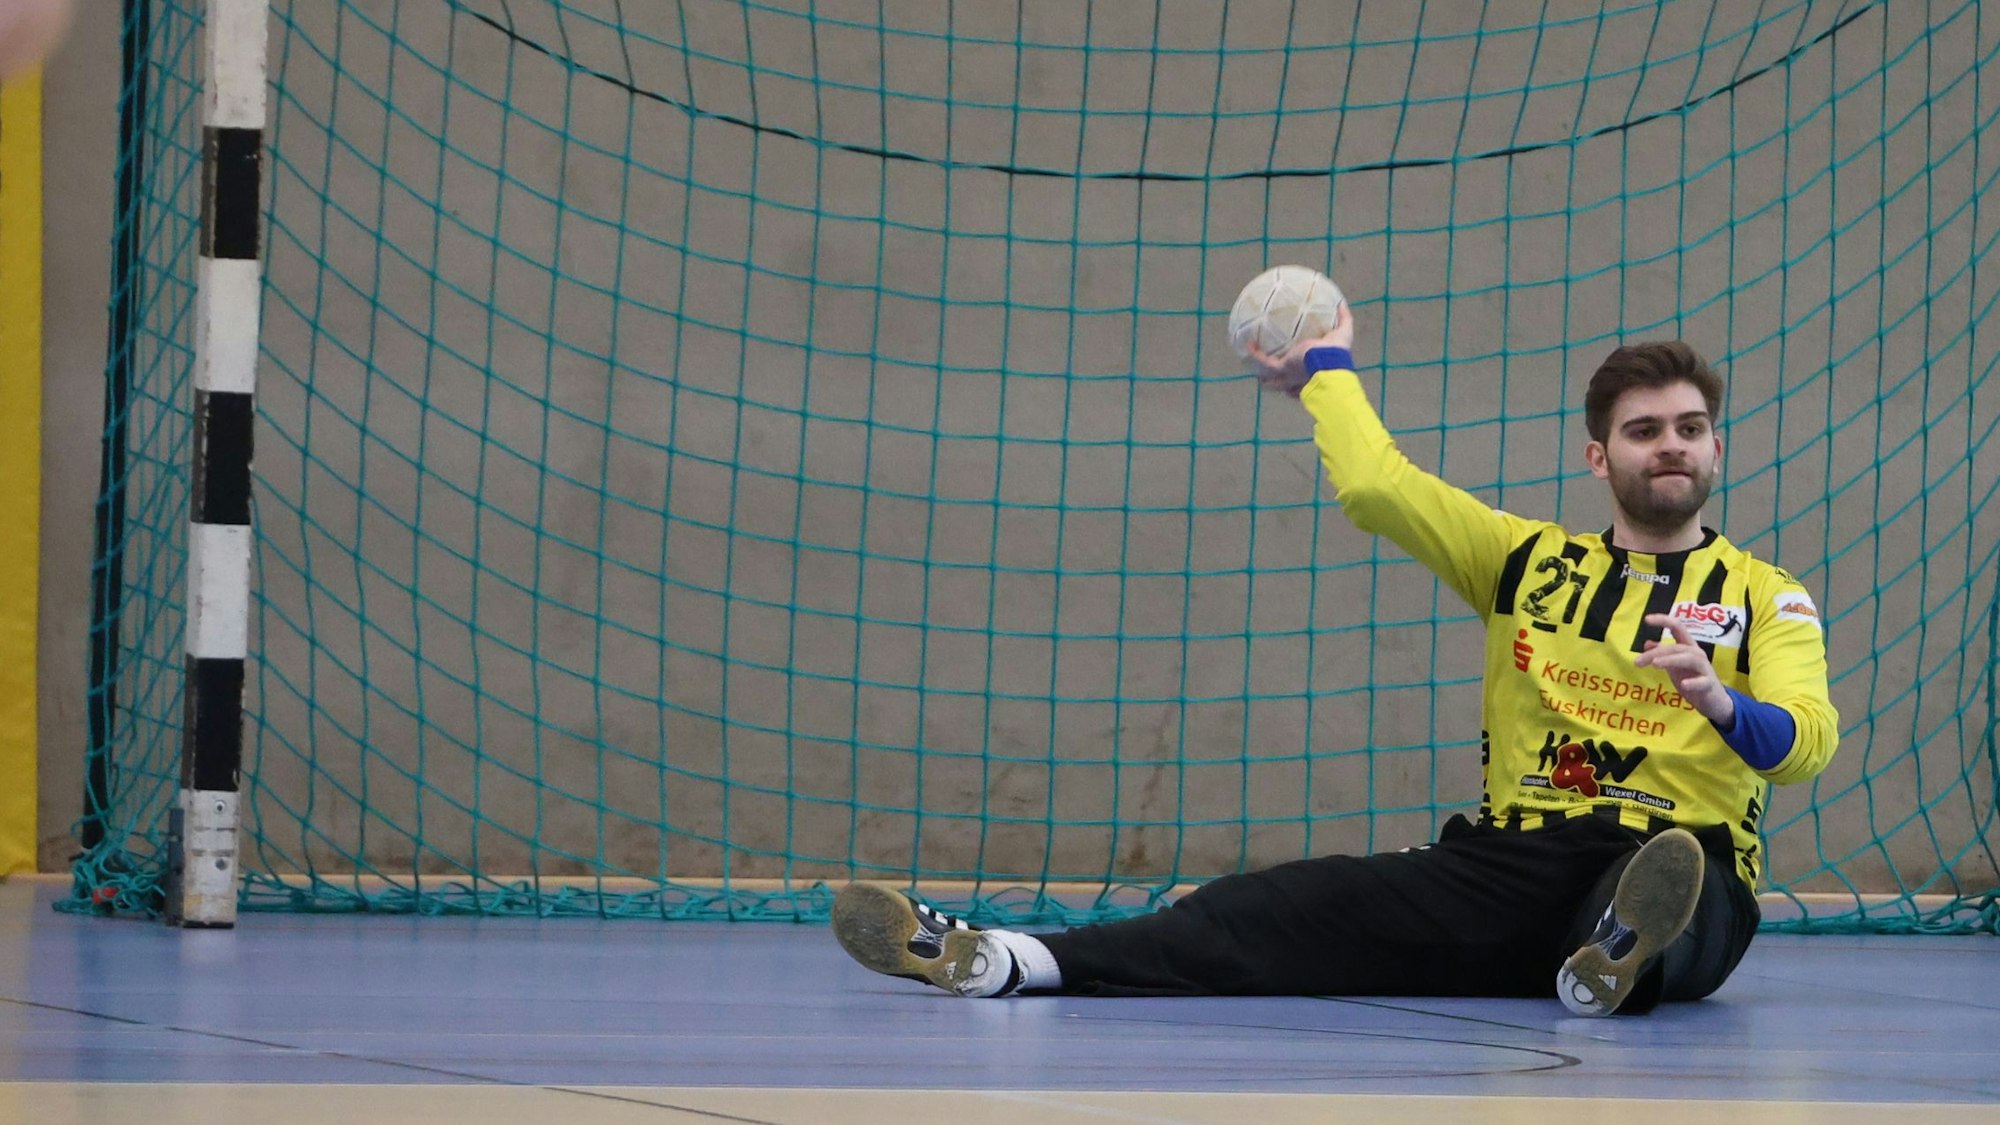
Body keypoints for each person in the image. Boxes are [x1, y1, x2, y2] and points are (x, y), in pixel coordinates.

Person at [829, 299, 1838, 1016]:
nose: (1671, 445)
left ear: (1716, 449)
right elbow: (1377, 489)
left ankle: (1620, 949)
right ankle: (1010, 959)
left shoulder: (1766, 594)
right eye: (1644, 430)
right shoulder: (1525, 561)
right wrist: (1326, 369)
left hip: (1684, 856)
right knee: (1266, 909)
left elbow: (1805, 741)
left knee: (1675, 890)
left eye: (1690, 429)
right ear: (1599, 456)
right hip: (1513, 866)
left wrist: (1718, 703)